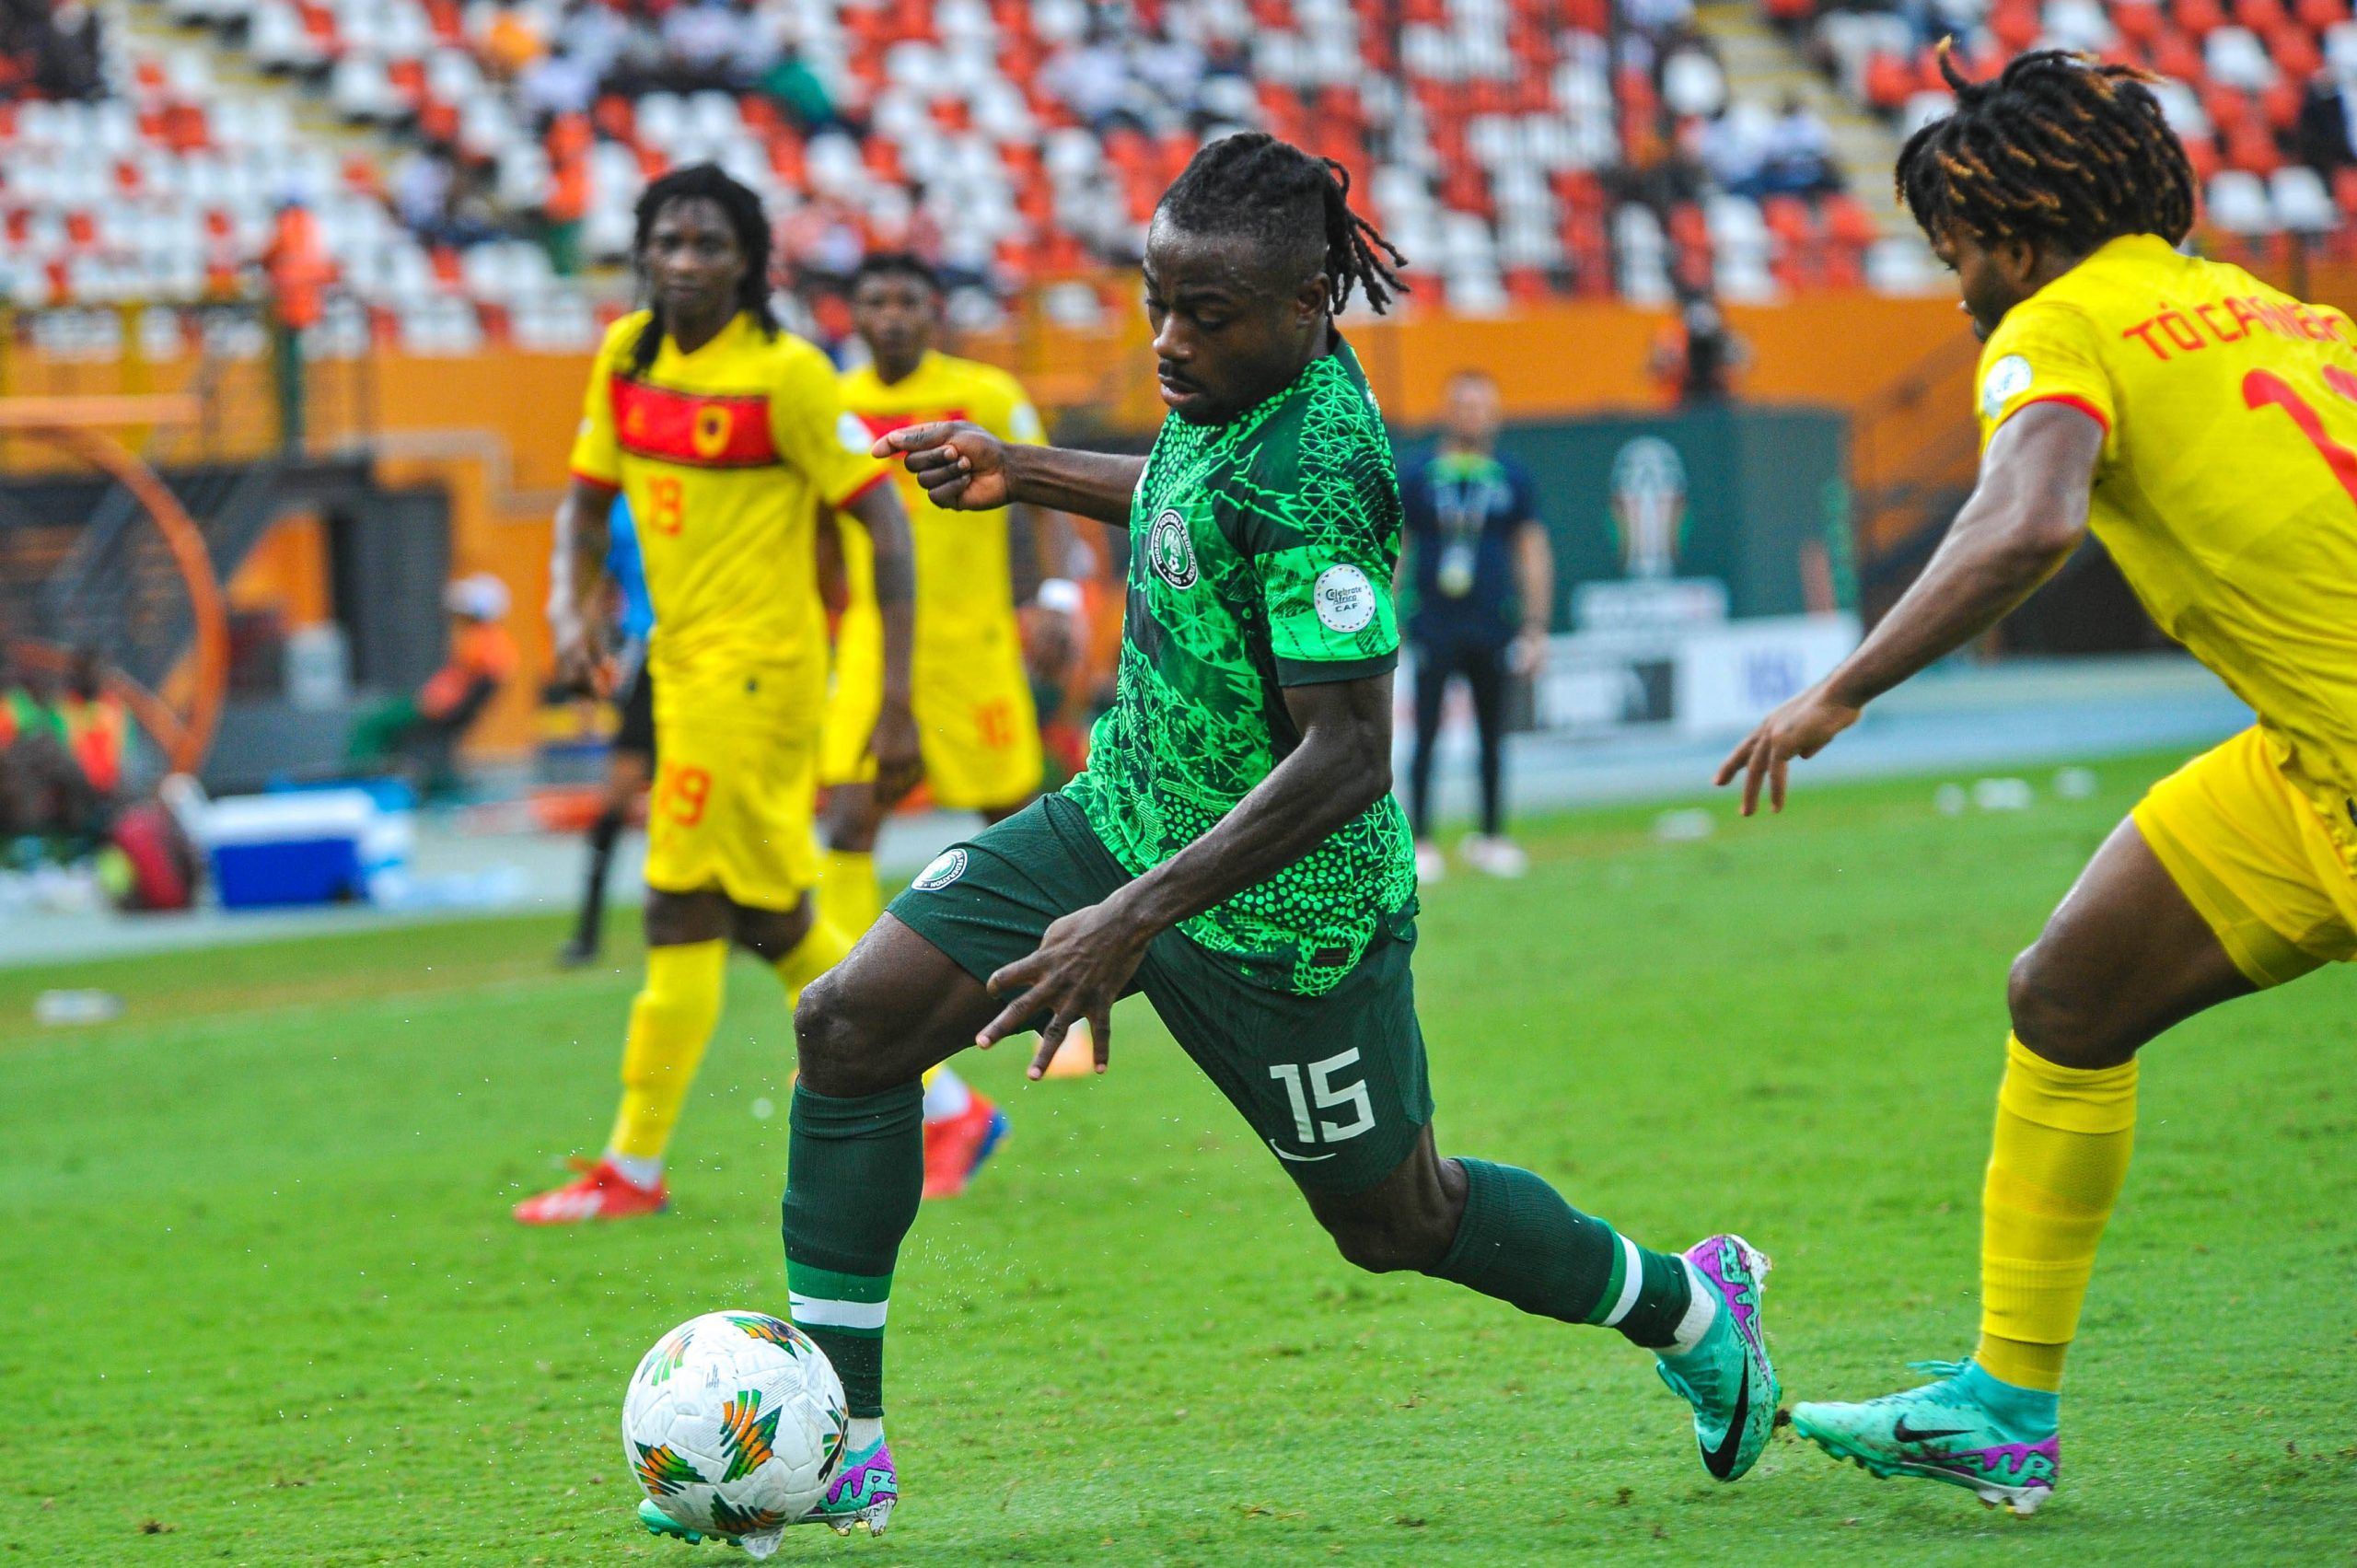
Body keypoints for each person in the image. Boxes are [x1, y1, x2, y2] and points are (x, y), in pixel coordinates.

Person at [636, 132, 1780, 1550]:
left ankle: (1686, 1302)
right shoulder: (1235, 382)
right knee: (849, 1026)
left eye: (1207, 314)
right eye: (1155, 298)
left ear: (1310, 302)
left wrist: (1131, 921)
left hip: (1285, 912)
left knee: (1395, 1220)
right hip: (1120, 813)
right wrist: (1026, 470)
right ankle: (843, 1445)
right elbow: (1191, 502)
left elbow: (1350, 754)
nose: (1169, 340)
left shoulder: (1324, 469)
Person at [1718, 50, 2357, 1516]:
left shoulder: (2060, 324)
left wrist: (1841, 687)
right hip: (2310, 764)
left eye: (1956, 255)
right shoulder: (2285, 309)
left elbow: (2025, 520)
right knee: (2068, 994)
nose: (1954, 295)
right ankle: (2004, 1404)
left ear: (2014, 234)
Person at [514, 163, 921, 1225]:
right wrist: (572, 607)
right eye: (667, 241)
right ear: (642, 252)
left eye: (708, 245)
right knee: (760, 913)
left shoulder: (788, 376)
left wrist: (896, 694)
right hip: (679, 663)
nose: (684, 262)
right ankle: (941, 1094)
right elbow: (584, 497)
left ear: (748, 263)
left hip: (756, 678)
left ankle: (633, 1168)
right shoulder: (626, 357)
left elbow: (883, 521)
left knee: (680, 904)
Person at [815, 250, 1065, 1200]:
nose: (889, 315)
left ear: (933, 311)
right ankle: (850, 1002)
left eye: (906, 300)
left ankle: (1064, 993)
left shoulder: (983, 391)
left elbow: (1040, 491)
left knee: (1022, 819)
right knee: (848, 821)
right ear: (851, 310)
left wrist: (1050, 594)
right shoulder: (830, 399)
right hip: (876, 648)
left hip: (972, 647)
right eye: (872, 298)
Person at [1399, 368, 1552, 882]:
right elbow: (1399, 548)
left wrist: (1535, 626)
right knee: (1424, 734)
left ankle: (1491, 835)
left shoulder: (1512, 477)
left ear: (1496, 413)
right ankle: (1419, 841)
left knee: (1493, 734)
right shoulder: (1421, 474)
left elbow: (1530, 551)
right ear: (1447, 410)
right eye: (1463, 404)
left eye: (1482, 405)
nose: (1473, 415)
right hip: (1434, 624)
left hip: (1493, 624)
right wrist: (1386, 620)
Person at [554, 495, 656, 968]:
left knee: (722, 803)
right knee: (612, 805)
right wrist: (583, 656)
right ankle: (588, 932)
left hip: (714, 660)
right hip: (652, 662)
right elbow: (600, 583)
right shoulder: (618, 508)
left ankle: (747, 926)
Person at [344, 573, 518, 795]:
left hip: (436, 706)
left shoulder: (483, 642)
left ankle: (362, 786)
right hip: (440, 704)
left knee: (371, 725)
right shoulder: (493, 642)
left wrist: (430, 700)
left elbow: (457, 685)